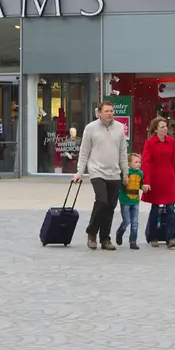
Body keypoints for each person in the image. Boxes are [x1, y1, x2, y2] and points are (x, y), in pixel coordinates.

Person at [75, 100, 128, 250]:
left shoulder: (119, 128)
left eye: (112, 111)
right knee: (102, 201)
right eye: (107, 111)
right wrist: (80, 171)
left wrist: (125, 172)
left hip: (114, 172)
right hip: (97, 170)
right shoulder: (90, 128)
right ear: (99, 113)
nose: (110, 113)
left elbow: (123, 152)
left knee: (110, 206)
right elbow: (84, 152)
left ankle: (105, 238)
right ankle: (91, 233)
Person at [140, 116, 175, 249]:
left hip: (168, 178)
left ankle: (170, 237)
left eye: (166, 126)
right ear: (156, 129)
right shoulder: (150, 143)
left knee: (170, 209)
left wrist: (173, 178)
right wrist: (146, 181)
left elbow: (173, 160)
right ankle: (153, 236)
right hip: (155, 178)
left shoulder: (171, 141)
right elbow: (146, 162)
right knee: (155, 209)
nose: (165, 129)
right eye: (162, 127)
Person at [116, 151, 145, 250]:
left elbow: (140, 184)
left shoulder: (141, 173)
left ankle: (133, 241)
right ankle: (120, 232)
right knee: (127, 220)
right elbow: (119, 183)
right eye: (136, 162)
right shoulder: (125, 173)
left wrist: (143, 187)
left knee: (135, 222)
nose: (138, 164)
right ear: (129, 163)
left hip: (135, 201)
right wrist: (124, 181)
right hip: (125, 201)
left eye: (139, 162)